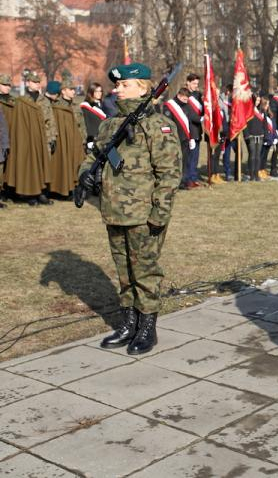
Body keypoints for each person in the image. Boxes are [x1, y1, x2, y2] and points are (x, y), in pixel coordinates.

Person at [78, 62, 181, 355]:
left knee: (145, 272)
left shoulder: (156, 125)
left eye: (124, 85)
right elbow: (94, 155)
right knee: (124, 272)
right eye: (116, 85)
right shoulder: (112, 124)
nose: (117, 90)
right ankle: (129, 323)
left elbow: (169, 175)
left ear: (142, 88)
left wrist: (159, 215)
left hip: (143, 215)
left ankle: (147, 328)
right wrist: (84, 172)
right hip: (113, 211)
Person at [4, 72, 53, 206]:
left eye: (38, 82)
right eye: (34, 82)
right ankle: (30, 194)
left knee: (43, 166)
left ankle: (42, 193)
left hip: (43, 138)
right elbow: (19, 121)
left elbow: (50, 119)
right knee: (30, 166)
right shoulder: (21, 101)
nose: (37, 84)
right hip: (29, 138)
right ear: (28, 83)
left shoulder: (44, 100)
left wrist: (52, 136)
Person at [49, 77, 86, 199]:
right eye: (71, 89)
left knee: (77, 164)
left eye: (74, 89)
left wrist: (84, 140)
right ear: (63, 91)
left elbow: (81, 124)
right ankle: (63, 190)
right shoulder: (56, 106)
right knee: (64, 165)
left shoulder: (76, 106)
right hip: (63, 141)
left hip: (77, 141)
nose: (73, 92)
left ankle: (75, 188)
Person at [164, 88, 201, 189]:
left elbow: (193, 117)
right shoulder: (169, 106)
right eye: (185, 99)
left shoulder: (186, 104)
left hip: (185, 139)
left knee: (185, 161)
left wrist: (203, 119)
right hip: (175, 139)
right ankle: (175, 182)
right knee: (175, 162)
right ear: (179, 96)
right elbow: (168, 123)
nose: (186, 101)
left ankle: (183, 181)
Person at [0, 74, 14, 206]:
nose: (7, 87)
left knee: (7, 167)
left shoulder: (13, 101)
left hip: (10, 138)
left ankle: (7, 191)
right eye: (4, 85)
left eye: (9, 85)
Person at [80, 82, 106, 150]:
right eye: (96, 91)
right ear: (91, 92)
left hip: (104, 137)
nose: (99, 93)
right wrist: (89, 140)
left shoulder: (104, 104)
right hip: (93, 139)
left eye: (100, 91)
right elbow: (86, 124)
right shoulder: (86, 106)